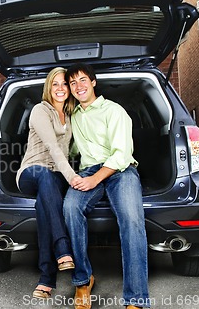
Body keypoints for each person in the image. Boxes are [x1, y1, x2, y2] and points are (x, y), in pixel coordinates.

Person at [63, 63, 150, 309]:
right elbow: (69, 149)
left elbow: (121, 154)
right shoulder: (74, 117)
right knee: (70, 207)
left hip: (120, 171)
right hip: (88, 170)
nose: (78, 86)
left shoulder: (114, 111)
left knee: (132, 220)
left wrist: (94, 179)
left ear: (93, 82)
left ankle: (136, 299)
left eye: (82, 80)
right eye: (72, 83)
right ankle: (83, 280)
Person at [16, 67, 80, 299]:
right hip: (31, 172)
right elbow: (53, 148)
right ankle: (62, 247)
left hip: (54, 177)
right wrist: (72, 176)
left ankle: (46, 279)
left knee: (44, 204)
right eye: (55, 84)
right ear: (48, 88)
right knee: (44, 178)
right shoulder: (40, 110)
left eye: (65, 84)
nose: (60, 88)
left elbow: (71, 149)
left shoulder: (73, 115)